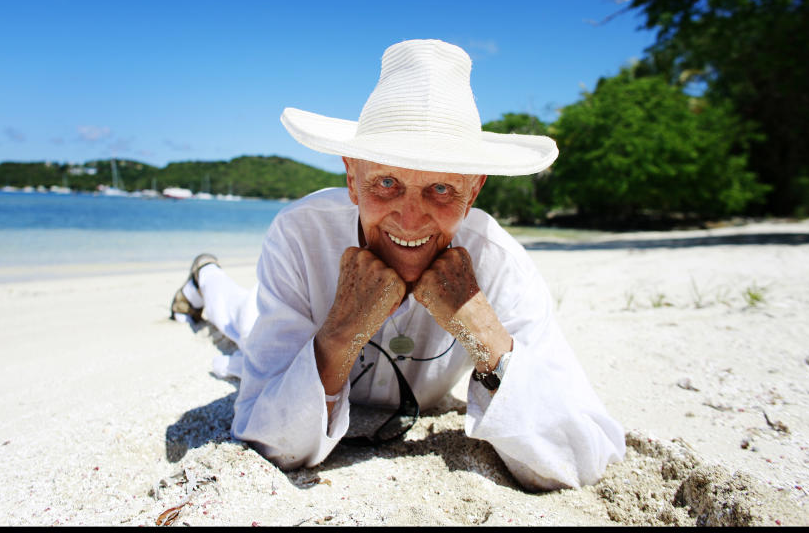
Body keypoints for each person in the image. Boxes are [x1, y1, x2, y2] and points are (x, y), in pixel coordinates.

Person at [169, 39, 625, 491]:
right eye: (386, 182)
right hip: (287, 329)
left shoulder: (498, 260)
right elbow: (267, 441)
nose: (410, 219)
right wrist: (343, 328)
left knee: (243, 318)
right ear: (351, 177)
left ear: (475, 190)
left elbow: (582, 457)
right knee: (242, 321)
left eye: (442, 188)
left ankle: (205, 280)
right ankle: (204, 278)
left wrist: (482, 331)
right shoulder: (301, 236)